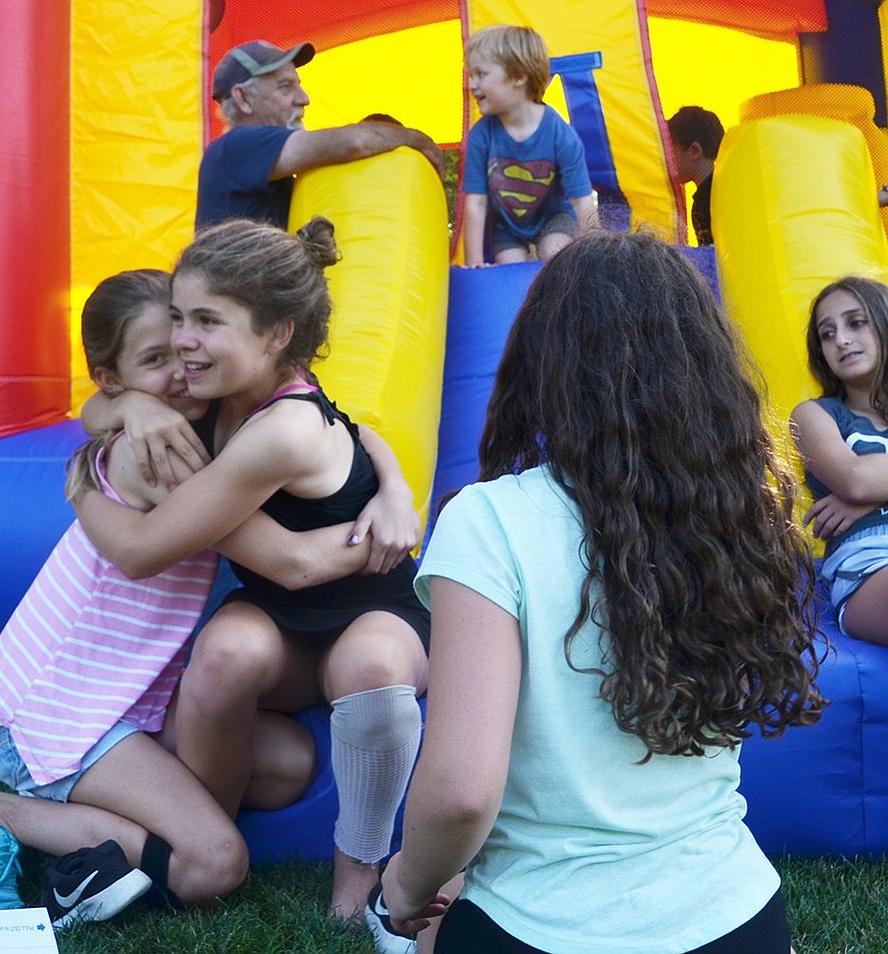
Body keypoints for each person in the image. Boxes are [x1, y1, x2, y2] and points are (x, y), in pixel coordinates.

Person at [377, 231, 826, 953]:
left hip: (548, 928)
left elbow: (461, 791)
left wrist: (402, 885)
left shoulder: (491, 519)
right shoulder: (734, 508)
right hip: (740, 918)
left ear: (543, 361)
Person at [0, 269, 387, 928]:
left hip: (121, 695)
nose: (180, 370)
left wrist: (391, 480)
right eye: (154, 360)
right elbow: (292, 563)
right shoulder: (163, 455)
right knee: (212, 863)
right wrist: (399, 527)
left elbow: (337, 424)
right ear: (112, 378)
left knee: (287, 764)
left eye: (184, 347)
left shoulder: (186, 423)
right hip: (52, 709)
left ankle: (113, 829)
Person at [73, 217, 430, 935]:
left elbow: (172, 552)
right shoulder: (218, 396)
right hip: (277, 607)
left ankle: (357, 865)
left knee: (369, 662)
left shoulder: (282, 426)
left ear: (275, 334)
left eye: (207, 320)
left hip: (373, 605)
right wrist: (127, 400)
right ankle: (203, 829)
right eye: (178, 317)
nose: (182, 340)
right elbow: (359, 430)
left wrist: (401, 500)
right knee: (226, 650)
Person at [196, 39, 444, 230]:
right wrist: (420, 141)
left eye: (299, 85)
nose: (304, 99)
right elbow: (355, 143)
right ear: (244, 99)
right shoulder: (237, 145)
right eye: (286, 87)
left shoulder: (268, 167)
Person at [791, 276, 888, 646]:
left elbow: (864, 489)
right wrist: (864, 491)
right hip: (870, 566)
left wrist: (870, 502)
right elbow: (854, 479)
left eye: (855, 322)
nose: (841, 340)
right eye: (827, 334)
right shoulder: (814, 415)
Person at [461, 25, 596, 266]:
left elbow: (582, 201)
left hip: (555, 217)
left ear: (519, 76)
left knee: (554, 254)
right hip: (508, 225)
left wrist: (596, 258)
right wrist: (475, 263)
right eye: (471, 76)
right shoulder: (481, 136)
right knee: (512, 270)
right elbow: (476, 201)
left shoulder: (560, 136)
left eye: (481, 74)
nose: (472, 84)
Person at [666, 105, 724, 246]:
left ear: (694, 150)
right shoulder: (709, 192)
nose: (666, 160)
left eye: (670, 152)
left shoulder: (712, 198)